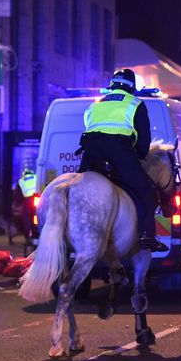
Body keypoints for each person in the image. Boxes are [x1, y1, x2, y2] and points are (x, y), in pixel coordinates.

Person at [76, 68, 168, 252]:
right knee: (146, 191)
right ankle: (147, 236)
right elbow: (143, 142)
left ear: (112, 85)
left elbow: (90, 127)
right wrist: (139, 156)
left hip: (91, 154)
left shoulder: (95, 105)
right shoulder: (135, 104)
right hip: (119, 153)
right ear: (131, 86)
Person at [10, 168, 36, 246]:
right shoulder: (36, 177)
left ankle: (28, 238)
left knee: (27, 219)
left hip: (27, 201)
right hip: (38, 199)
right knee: (36, 219)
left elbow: (18, 195)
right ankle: (36, 236)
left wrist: (17, 204)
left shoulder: (21, 181)